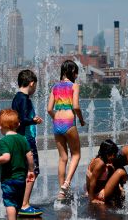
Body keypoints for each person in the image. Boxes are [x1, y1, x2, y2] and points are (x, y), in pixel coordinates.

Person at [0, 109, 35, 220]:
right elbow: (30, 155)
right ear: (18, 124)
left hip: (9, 179)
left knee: (10, 203)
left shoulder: (4, 141)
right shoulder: (22, 138)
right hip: (21, 178)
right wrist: (31, 170)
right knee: (17, 203)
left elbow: (6, 157)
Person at [47, 60, 85, 200]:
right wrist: (81, 120)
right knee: (76, 155)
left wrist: (57, 117)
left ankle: (61, 192)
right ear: (73, 72)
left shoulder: (55, 87)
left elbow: (49, 109)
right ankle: (67, 183)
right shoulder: (74, 86)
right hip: (69, 122)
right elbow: (75, 106)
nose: (77, 75)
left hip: (57, 122)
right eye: (76, 72)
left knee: (62, 158)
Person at [11, 69, 43, 216]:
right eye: (35, 86)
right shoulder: (24, 99)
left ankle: (18, 202)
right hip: (27, 140)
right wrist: (34, 121)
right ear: (31, 84)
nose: (35, 89)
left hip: (19, 139)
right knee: (33, 170)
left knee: (23, 171)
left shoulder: (16, 98)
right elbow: (22, 120)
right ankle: (25, 204)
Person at [86, 139, 127, 204]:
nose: (115, 157)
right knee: (121, 172)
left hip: (96, 190)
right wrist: (92, 199)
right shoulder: (100, 164)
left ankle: (121, 189)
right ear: (108, 154)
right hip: (99, 194)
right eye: (114, 155)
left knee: (111, 168)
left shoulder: (97, 159)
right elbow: (92, 181)